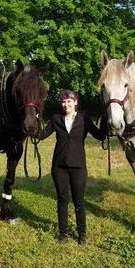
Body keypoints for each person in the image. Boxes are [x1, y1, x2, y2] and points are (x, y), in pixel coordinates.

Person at [37, 89, 107, 245]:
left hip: (78, 167)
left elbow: (100, 135)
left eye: (69, 101)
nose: (65, 104)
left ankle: (82, 234)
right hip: (59, 167)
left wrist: (105, 118)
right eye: (63, 101)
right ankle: (63, 233)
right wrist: (34, 119)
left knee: (79, 201)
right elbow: (41, 135)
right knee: (62, 200)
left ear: (75, 102)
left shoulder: (85, 119)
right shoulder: (56, 119)